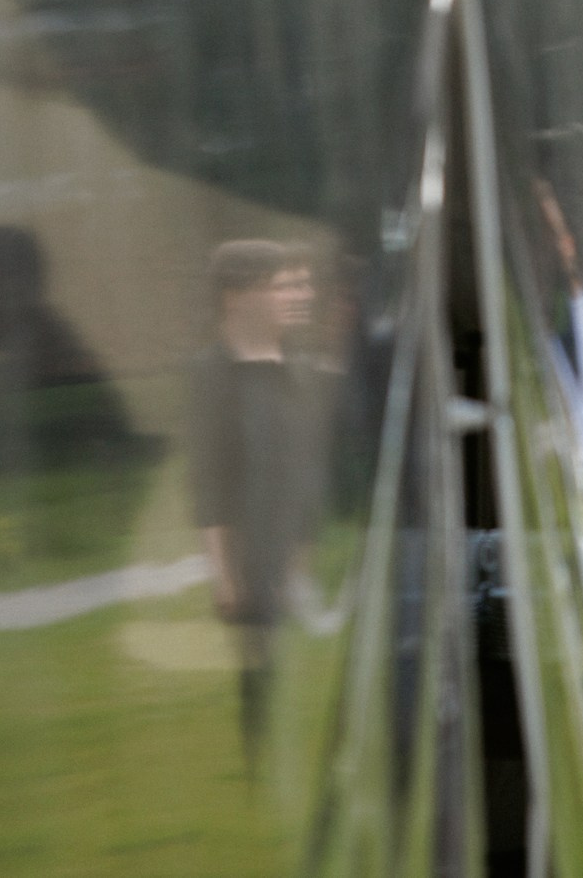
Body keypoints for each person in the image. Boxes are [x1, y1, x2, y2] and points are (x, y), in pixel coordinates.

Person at [188, 239, 321, 774]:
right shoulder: (212, 374)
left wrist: (303, 557)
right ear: (236, 298)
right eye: (279, 286)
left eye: (297, 284)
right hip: (248, 545)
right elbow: (208, 481)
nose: (294, 296)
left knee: (298, 663)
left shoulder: (297, 369)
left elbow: (306, 475)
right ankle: (258, 760)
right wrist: (222, 573)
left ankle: (291, 760)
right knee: (261, 661)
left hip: (291, 542)